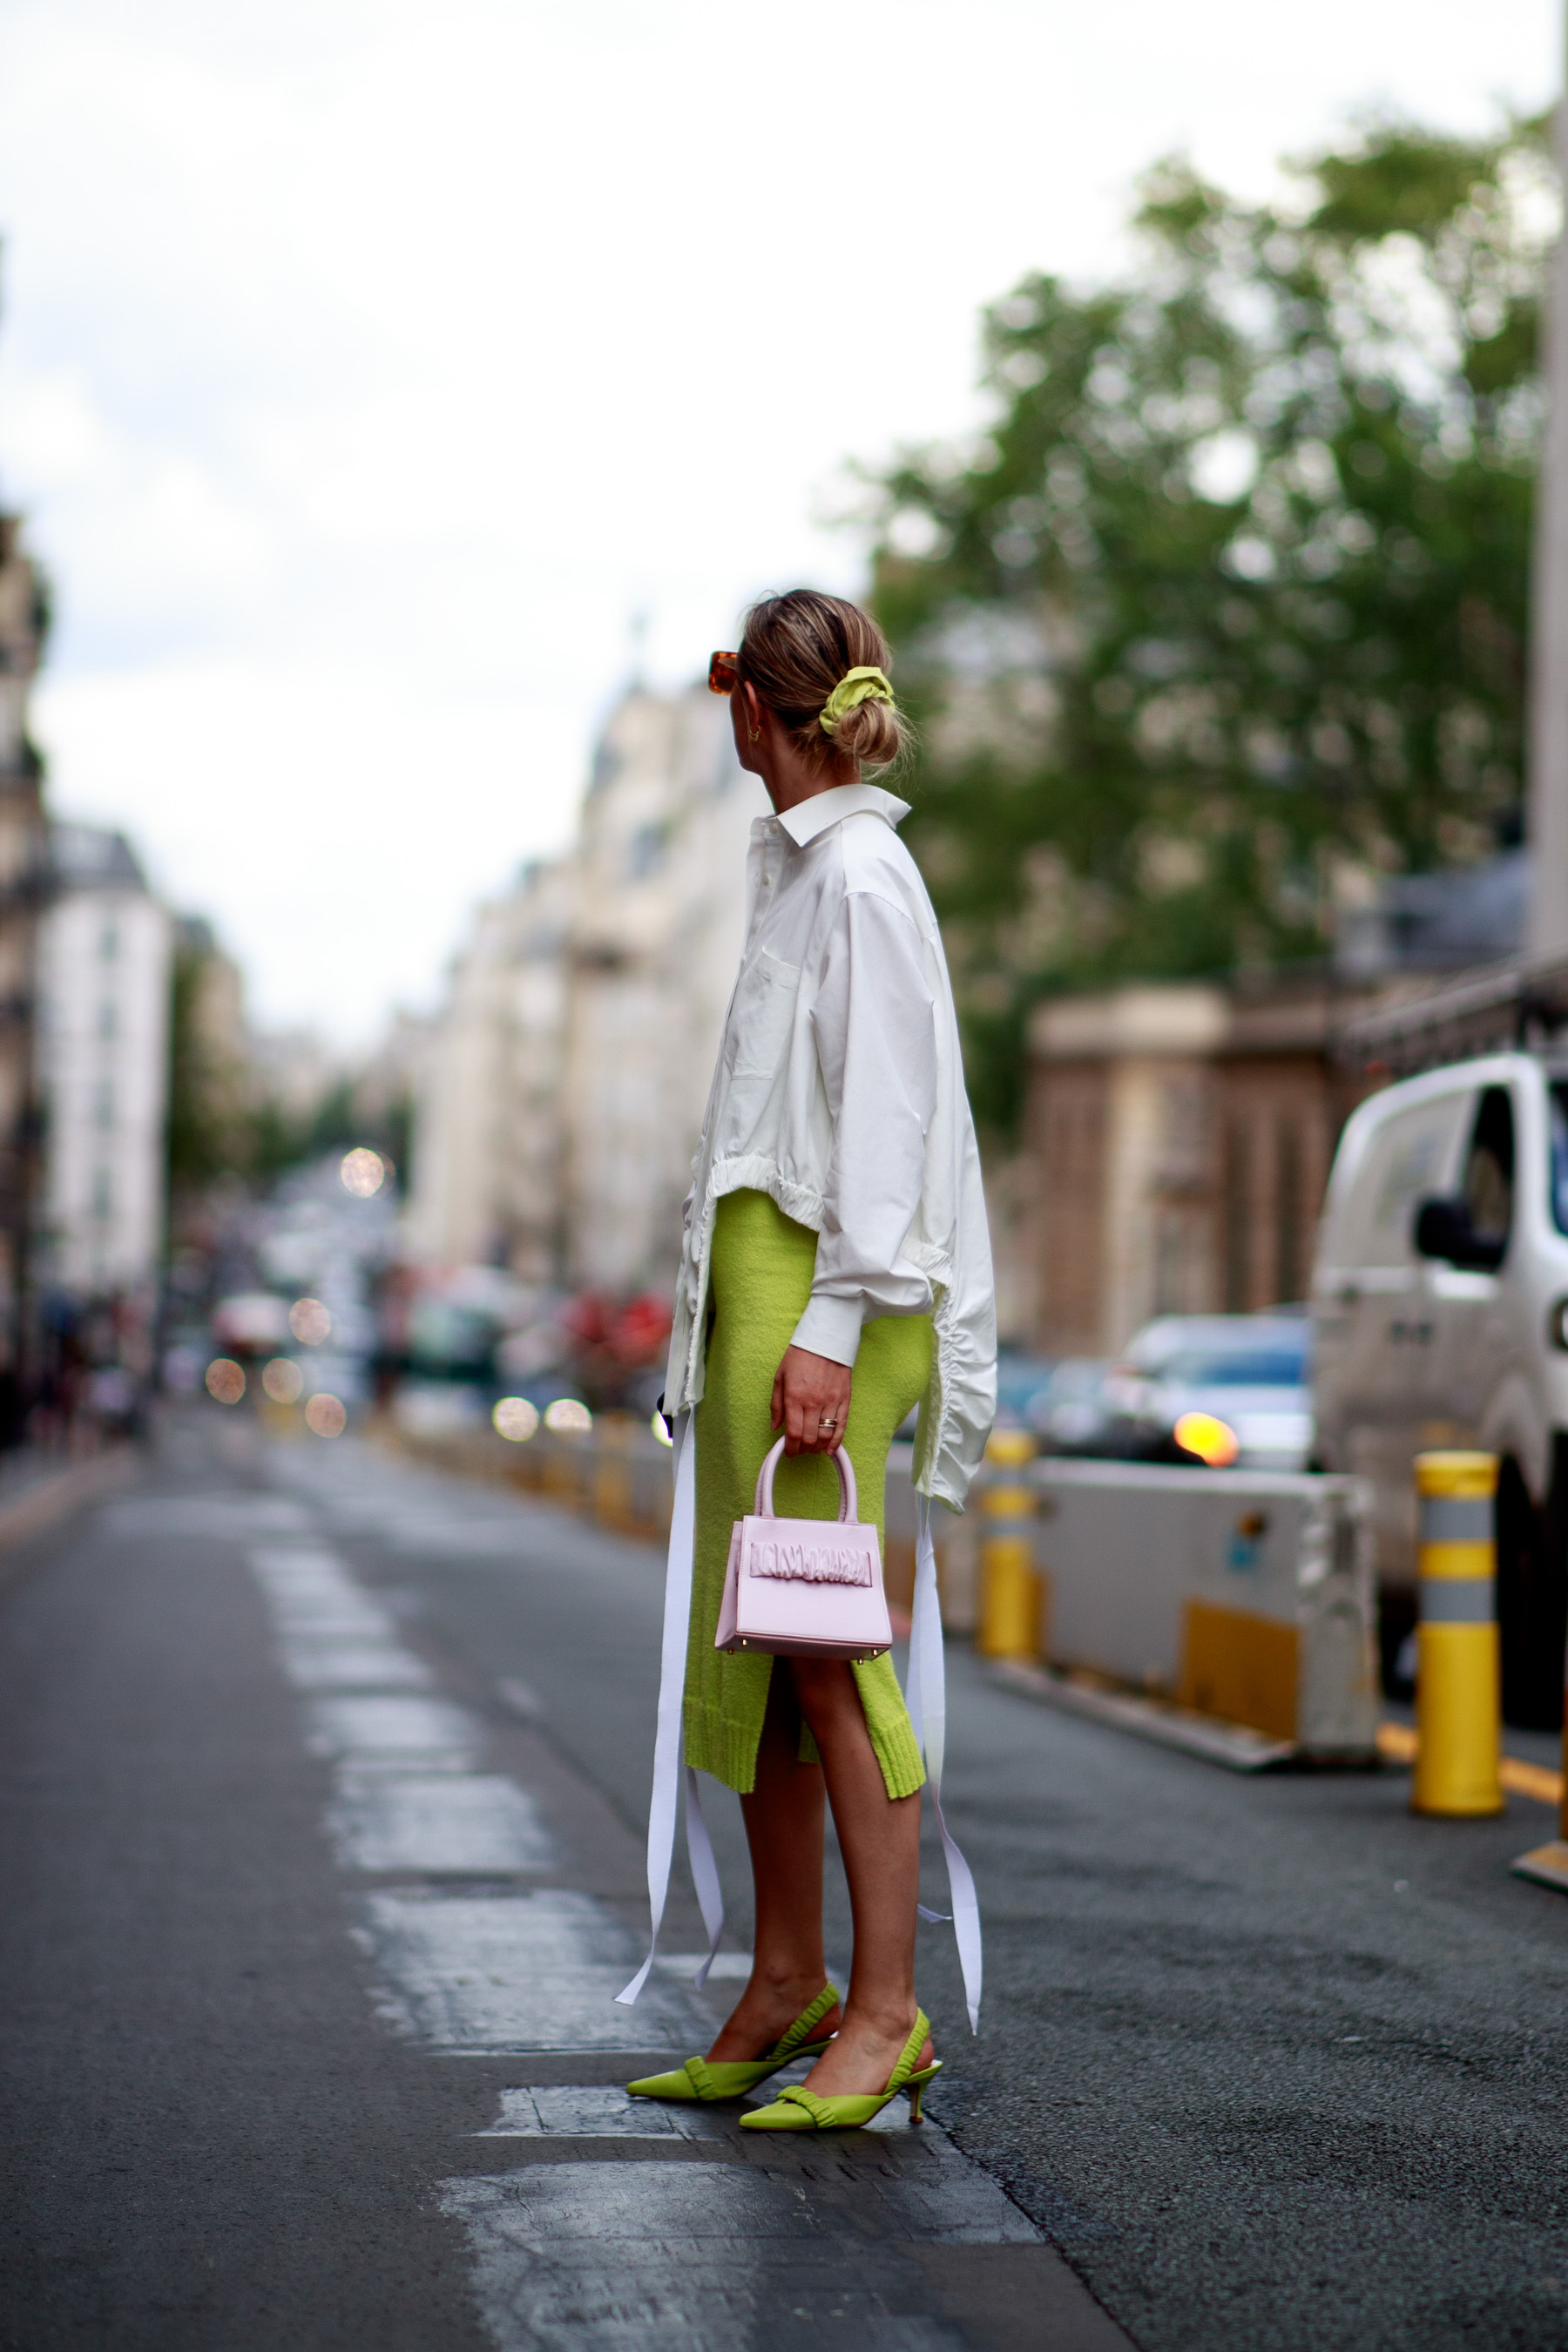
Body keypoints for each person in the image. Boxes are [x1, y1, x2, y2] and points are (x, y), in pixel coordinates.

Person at [625, 588, 995, 2132]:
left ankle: (889, 2012)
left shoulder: (865, 877)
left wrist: (833, 1328)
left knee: (830, 1650)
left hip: (830, 1287)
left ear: (751, 710)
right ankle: (788, 1983)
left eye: (726, 681)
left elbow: (893, 1121)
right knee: (763, 1645)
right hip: (770, 1279)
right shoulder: (802, 873)